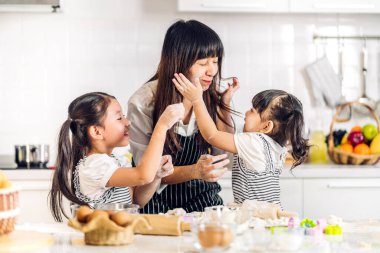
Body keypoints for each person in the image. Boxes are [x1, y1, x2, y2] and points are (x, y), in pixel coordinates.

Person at [127, 19, 239, 214]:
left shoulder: (213, 94)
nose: (212, 71)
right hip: (155, 203)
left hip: (203, 201)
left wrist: (224, 107)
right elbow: (147, 172)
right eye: (203, 62)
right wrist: (195, 171)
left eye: (215, 61)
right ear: (179, 61)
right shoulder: (143, 102)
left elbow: (226, 157)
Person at [173, 77, 310, 206]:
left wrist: (197, 100)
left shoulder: (255, 142)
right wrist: (224, 103)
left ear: (266, 126)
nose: (246, 113)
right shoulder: (276, 148)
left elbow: (213, 136)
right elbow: (226, 137)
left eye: (252, 111)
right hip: (269, 214)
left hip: (255, 217)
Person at [49, 92, 184, 221]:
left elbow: (136, 200)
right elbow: (143, 176)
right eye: (119, 118)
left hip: (118, 236)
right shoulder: (94, 165)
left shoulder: (116, 161)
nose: (128, 122)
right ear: (96, 131)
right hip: (101, 239)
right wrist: (162, 126)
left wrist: (156, 176)